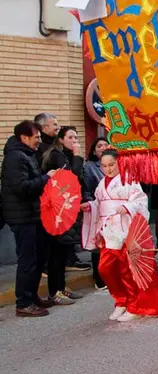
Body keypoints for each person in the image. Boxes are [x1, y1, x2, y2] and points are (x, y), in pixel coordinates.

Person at [81, 149, 158, 321]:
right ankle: (121, 300)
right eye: (104, 166)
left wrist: (127, 207)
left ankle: (135, 305)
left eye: (111, 165)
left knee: (127, 270)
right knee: (106, 269)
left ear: (119, 163)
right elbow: (99, 203)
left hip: (126, 229)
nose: (108, 169)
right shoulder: (101, 183)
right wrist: (90, 206)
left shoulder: (130, 181)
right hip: (109, 231)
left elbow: (140, 201)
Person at [1, 120, 57, 317]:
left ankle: (32, 296)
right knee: (28, 260)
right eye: (36, 137)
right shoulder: (15, 157)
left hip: (32, 215)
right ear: (24, 137)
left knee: (38, 257)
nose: (39, 141)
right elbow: (22, 188)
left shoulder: (27, 154)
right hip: (21, 217)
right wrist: (46, 178)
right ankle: (24, 302)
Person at [41, 126, 86, 305]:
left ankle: (61, 287)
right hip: (55, 211)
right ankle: (54, 291)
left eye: (76, 137)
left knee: (62, 252)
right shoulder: (57, 155)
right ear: (60, 139)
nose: (74, 141)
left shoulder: (64, 155)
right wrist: (77, 156)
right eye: (70, 137)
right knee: (56, 253)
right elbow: (72, 177)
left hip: (64, 208)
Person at [83, 137, 109, 290]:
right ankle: (99, 278)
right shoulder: (89, 167)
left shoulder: (118, 165)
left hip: (113, 212)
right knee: (98, 245)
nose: (103, 147)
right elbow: (86, 189)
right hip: (96, 208)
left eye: (105, 144)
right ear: (94, 150)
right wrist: (91, 204)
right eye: (99, 145)